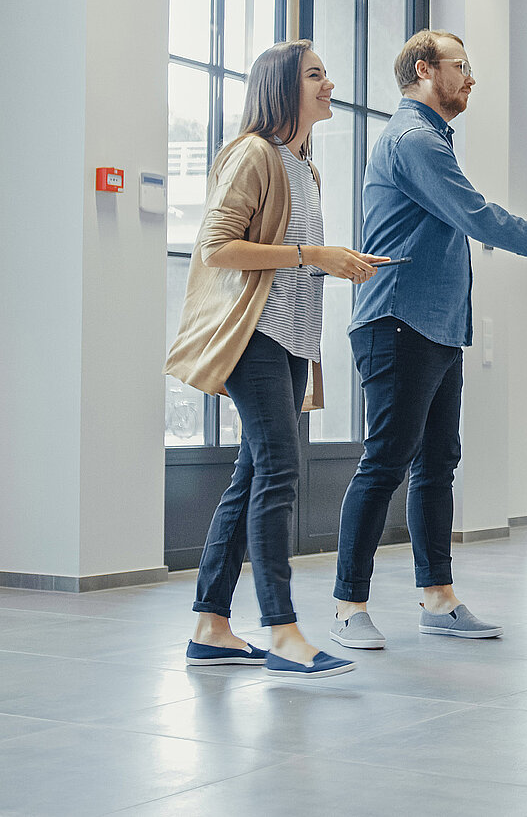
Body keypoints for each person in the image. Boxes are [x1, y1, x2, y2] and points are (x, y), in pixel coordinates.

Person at [329, 29, 527, 650]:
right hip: (397, 321)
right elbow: (481, 219)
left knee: (438, 464)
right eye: (460, 65)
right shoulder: (413, 140)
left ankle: (438, 599)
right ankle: (348, 607)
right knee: (386, 462)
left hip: (434, 327)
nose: (471, 77)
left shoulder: (431, 139)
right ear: (423, 69)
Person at [165, 39, 389, 678]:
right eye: (315, 75)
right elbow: (216, 247)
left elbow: (290, 256)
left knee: (253, 473)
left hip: (291, 340)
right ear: (282, 87)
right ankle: (283, 631)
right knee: (281, 470)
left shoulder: (305, 167)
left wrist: (336, 262)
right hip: (254, 339)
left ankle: (210, 626)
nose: (329, 84)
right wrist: (313, 256)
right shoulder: (253, 154)